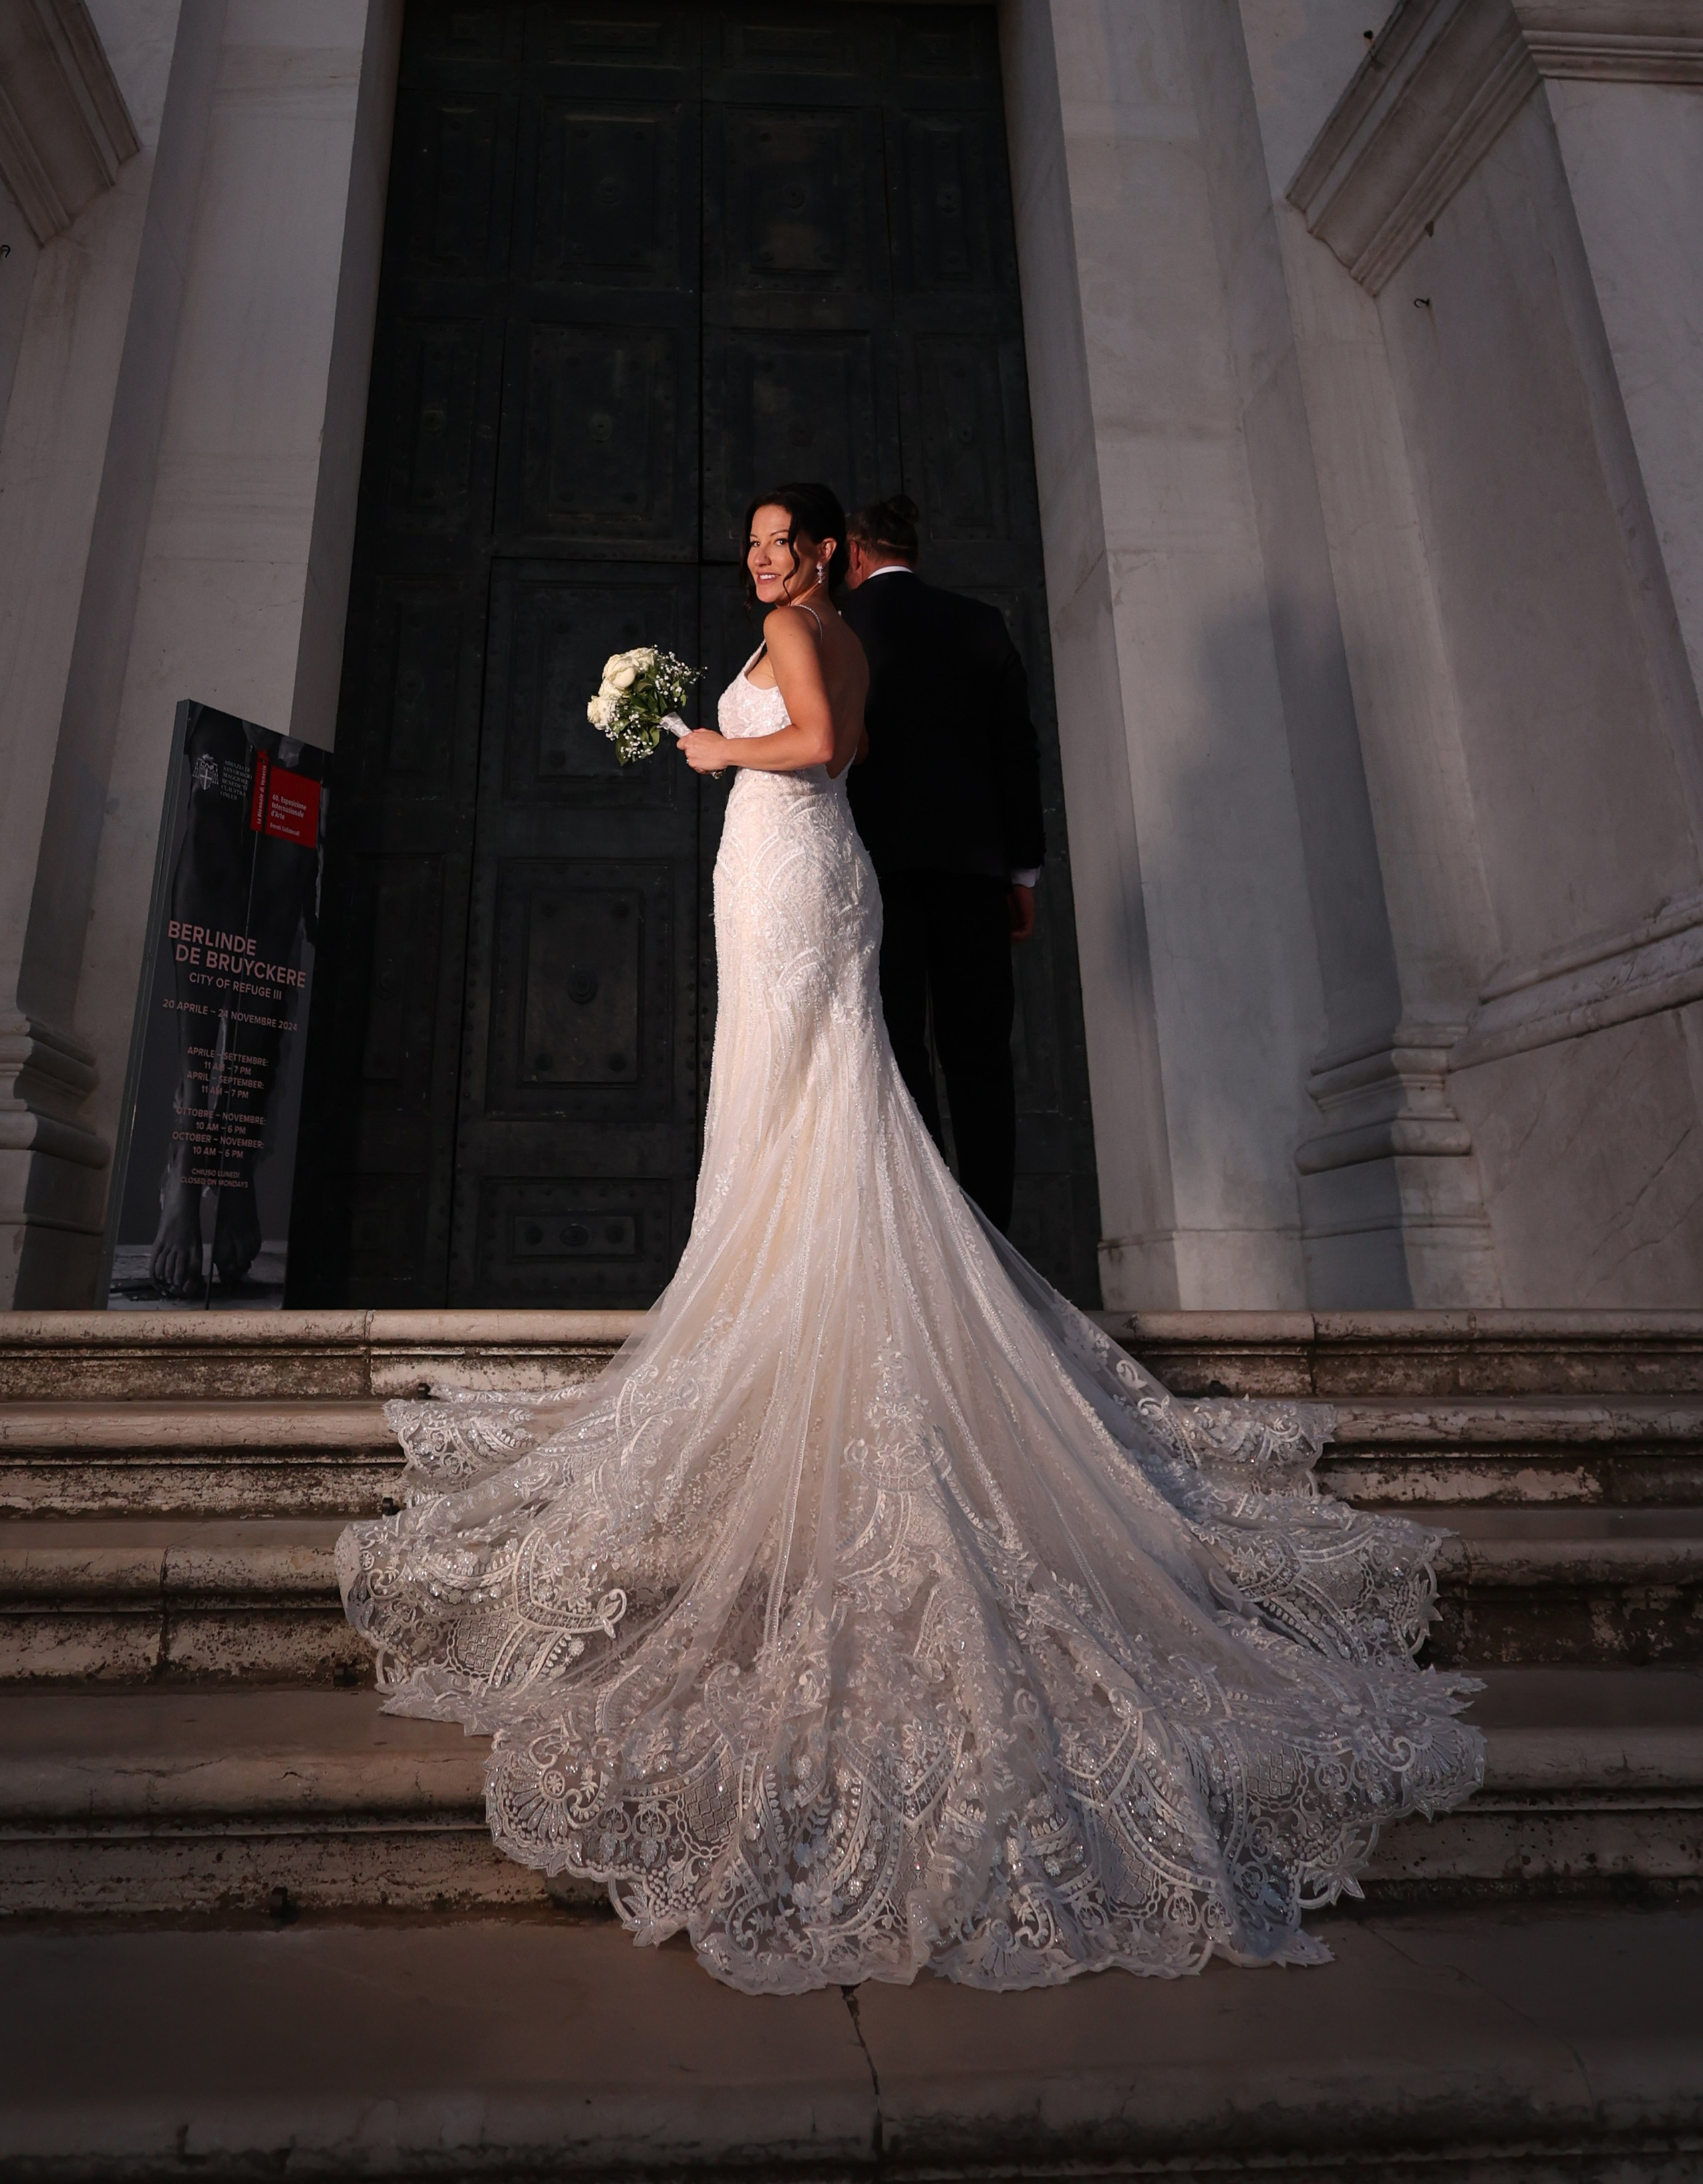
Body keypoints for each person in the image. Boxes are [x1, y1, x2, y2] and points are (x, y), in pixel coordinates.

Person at [337, 481, 1481, 1997]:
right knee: (818, 1110)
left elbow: (824, 749)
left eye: (776, 538)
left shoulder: (805, 633)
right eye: (745, 541)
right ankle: (789, 1292)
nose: (756, 558)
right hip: (799, 881)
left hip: (800, 869)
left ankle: (824, 1309)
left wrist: (705, 743)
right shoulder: (842, 619)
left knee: (820, 1116)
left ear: (820, 547)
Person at [840, 494, 1041, 1232]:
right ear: (912, 551)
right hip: (973, 871)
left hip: (873, 870)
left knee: (897, 1049)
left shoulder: (836, 627)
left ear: (853, 556)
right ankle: (993, 1235)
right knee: (980, 1054)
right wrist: (1022, 873)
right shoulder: (980, 624)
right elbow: (1017, 754)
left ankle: (927, 1237)